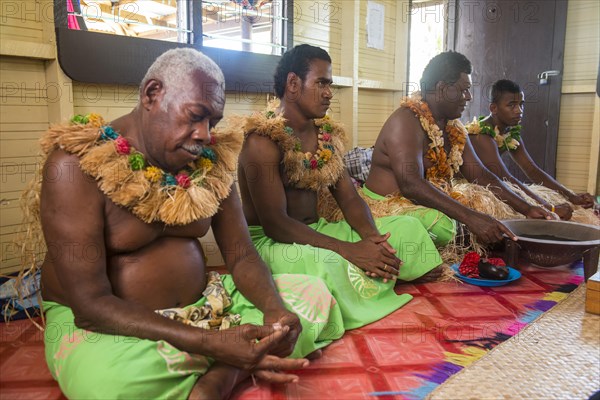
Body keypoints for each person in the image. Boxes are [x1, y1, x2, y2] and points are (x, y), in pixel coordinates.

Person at [28, 48, 345, 400]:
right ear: (152, 94)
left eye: (214, 121)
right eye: (196, 116)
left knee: (311, 297)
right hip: (107, 323)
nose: (205, 134)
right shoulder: (74, 165)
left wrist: (273, 310)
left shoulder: (208, 161)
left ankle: (229, 371)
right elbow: (90, 306)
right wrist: (210, 342)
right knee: (106, 384)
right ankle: (238, 359)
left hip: (209, 305)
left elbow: (241, 256)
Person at [236, 44, 443, 331]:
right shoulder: (262, 140)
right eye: (321, 83)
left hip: (318, 231)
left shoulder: (326, 136)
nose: (328, 93)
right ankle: (377, 279)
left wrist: (373, 241)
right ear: (293, 84)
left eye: (330, 84)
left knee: (407, 228)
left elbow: (349, 199)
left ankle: (373, 273)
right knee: (327, 262)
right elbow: (276, 225)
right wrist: (350, 250)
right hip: (273, 243)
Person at [363, 51, 554, 248]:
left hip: (422, 205)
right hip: (386, 207)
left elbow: (480, 175)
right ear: (442, 88)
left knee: (493, 212)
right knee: (447, 228)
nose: (469, 97)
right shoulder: (406, 121)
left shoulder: (453, 127)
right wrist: (472, 218)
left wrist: (527, 208)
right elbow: (411, 185)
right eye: (464, 90)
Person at [466, 79, 598, 225]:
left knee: (562, 205)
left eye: (521, 104)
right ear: (493, 108)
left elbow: (532, 169)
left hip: (498, 183)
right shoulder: (481, 136)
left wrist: (571, 196)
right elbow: (504, 178)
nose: (519, 111)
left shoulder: (510, 133)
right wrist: (549, 208)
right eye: (512, 105)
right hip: (475, 190)